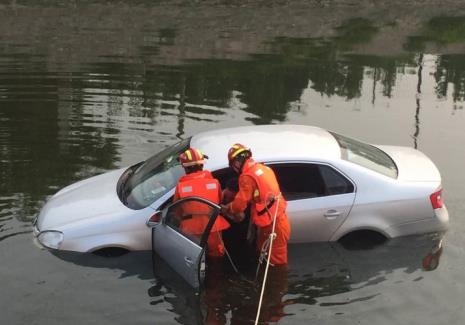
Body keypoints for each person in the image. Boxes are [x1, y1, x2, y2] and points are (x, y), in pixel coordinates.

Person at [221, 144, 291, 265]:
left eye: (232, 165)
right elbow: (259, 195)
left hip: (274, 226)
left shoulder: (247, 177)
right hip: (272, 221)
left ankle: (278, 283)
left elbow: (239, 205)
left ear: (237, 162)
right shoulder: (263, 168)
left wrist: (226, 208)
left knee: (276, 263)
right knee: (262, 252)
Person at [174, 147, 230, 258]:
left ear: (185, 168)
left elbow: (177, 211)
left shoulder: (181, 187)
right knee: (216, 255)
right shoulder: (215, 183)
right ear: (202, 165)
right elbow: (219, 201)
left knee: (195, 258)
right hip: (213, 226)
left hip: (191, 229)